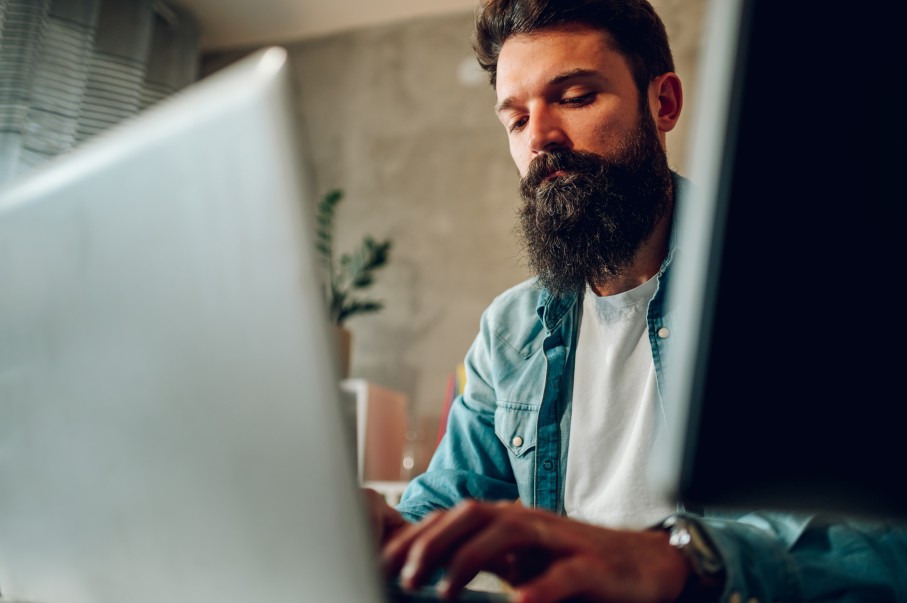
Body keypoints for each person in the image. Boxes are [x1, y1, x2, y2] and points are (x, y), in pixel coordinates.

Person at [365, 1, 907, 601]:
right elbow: (439, 511)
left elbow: (882, 543)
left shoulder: (797, 287)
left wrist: (680, 563)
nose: (540, 138)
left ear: (663, 103)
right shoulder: (509, 331)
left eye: (573, 97)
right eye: (516, 120)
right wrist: (383, 535)